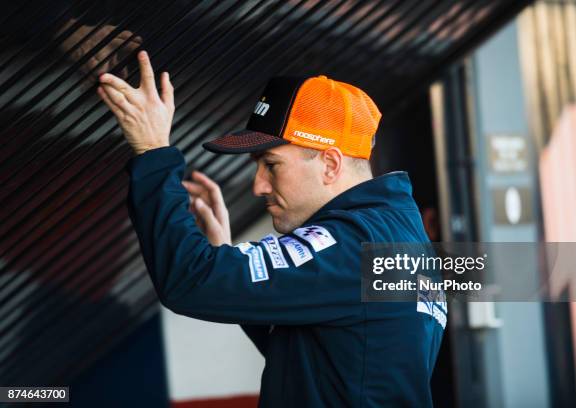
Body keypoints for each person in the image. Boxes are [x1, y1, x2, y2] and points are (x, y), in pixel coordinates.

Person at [97, 50, 446, 407]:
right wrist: (229, 260)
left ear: (329, 164)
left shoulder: (354, 244)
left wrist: (152, 152)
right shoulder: (400, 235)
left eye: (271, 164)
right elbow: (313, 352)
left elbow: (189, 281)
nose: (258, 186)